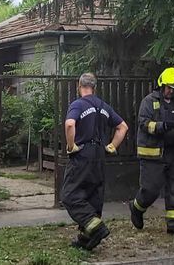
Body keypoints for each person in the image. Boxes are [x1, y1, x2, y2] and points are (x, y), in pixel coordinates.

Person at [62, 73, 128, 250]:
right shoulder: (104, 106)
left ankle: (96, 228)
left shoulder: (78, 104)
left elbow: (69, 124)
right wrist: (112, 146)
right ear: (94, 88)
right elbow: (123, 127)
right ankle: (86, 238)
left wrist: (71, 146)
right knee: (92, 195)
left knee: (69, 195)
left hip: (83, 154)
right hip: (100, 154)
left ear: (79, 86)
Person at [129, 67, 174, 236]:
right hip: (153, 153)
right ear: (162, 85)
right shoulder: (149, 101)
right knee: (150, 189)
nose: (171, 91)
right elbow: (143, 123)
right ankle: (136, 208)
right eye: (168, 87)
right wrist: (163, 126)